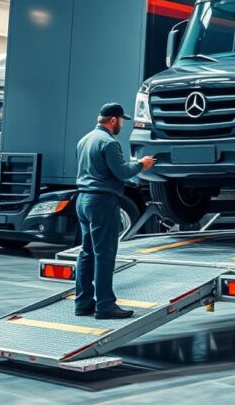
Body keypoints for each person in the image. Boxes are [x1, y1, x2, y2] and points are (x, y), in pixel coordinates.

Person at [74, 103, 156, 319]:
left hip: (83, 200)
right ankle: (105, 306)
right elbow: (122, 172)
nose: (122, 124)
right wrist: (142, 164)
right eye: (121, 120)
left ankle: (83, 303)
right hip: (102, 202)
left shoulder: (85, 140)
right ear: (113, 120)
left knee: (86, 252)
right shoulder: (109, 142)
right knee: (105, 254)